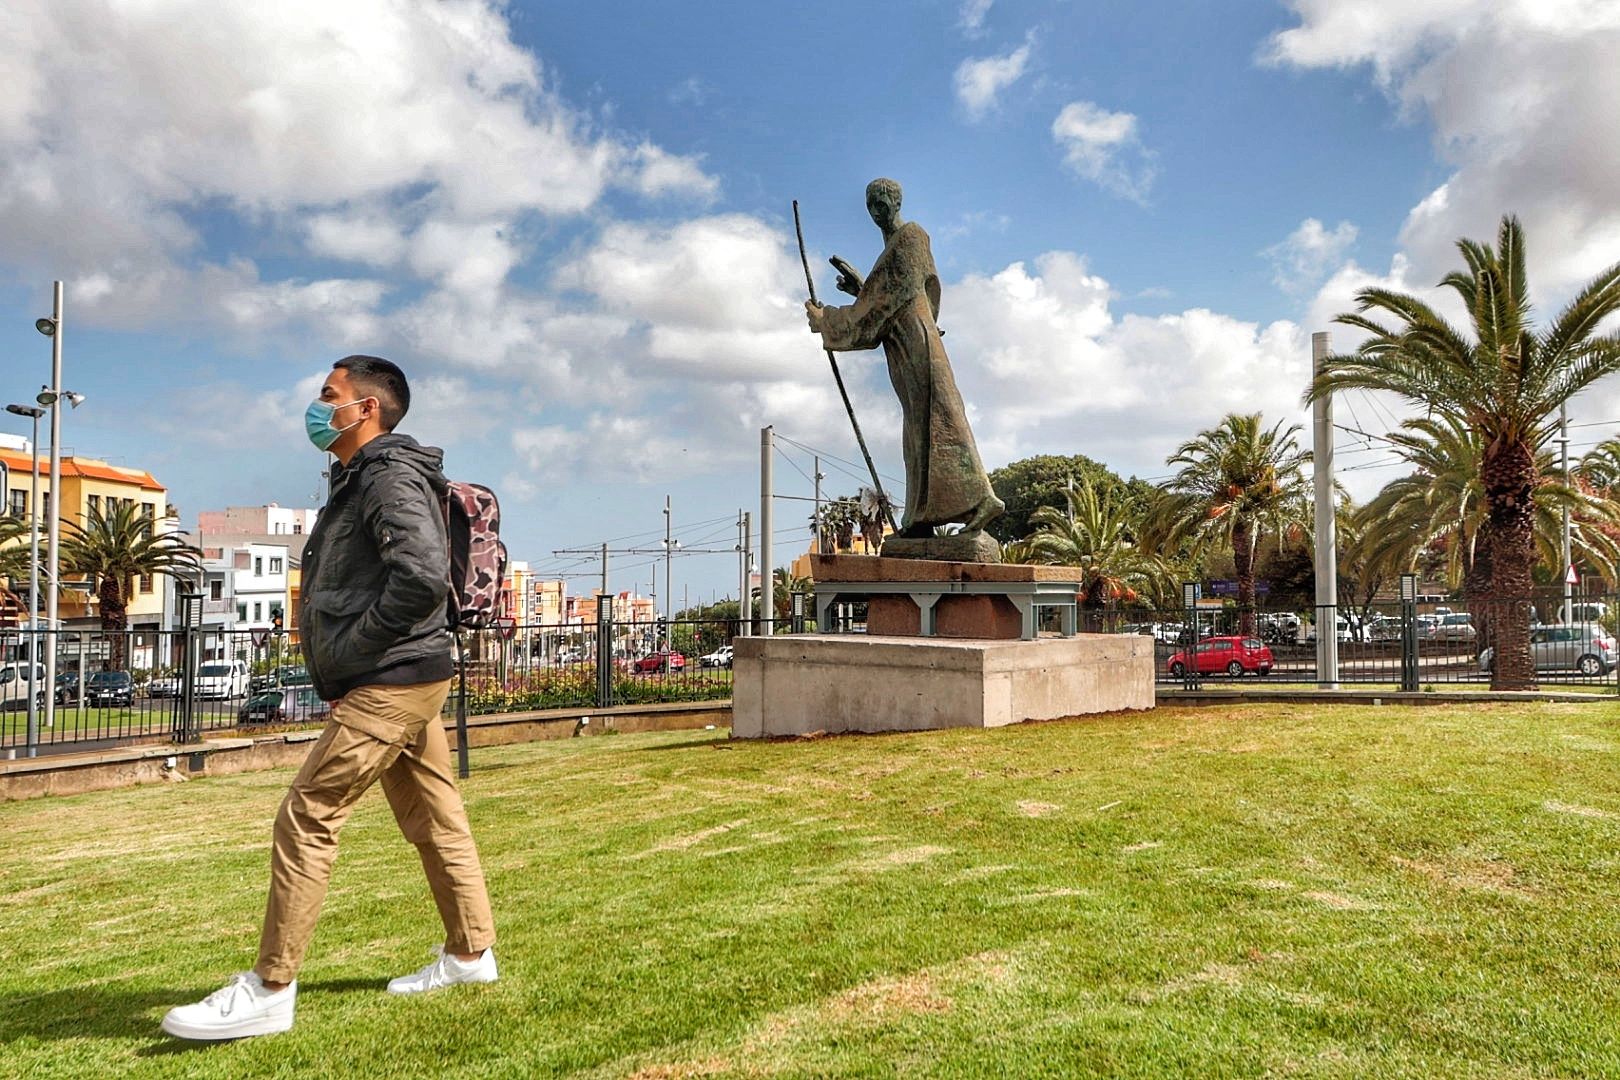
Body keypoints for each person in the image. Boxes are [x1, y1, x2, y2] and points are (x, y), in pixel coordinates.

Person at [162, 356, 497, 1041]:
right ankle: (469, 954)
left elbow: (423, 576)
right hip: (412, 672)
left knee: (308, 813)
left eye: (328, 395)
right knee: (436, 817)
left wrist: (358, 655)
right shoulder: (361, 479)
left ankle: (269, 988)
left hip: (392, 677)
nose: (317, 408)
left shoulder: (388, 475)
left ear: (365, 408)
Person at [804, 177, 1003, 538]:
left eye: (882, 203)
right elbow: (889, 298)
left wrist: (826, 320)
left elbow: (883, 307)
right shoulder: (894, 248)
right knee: (918, 429)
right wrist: (863, 289)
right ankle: (923, 518)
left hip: (917, 343)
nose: (876, 212)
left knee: (939, 418)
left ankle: (981, 498)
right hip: (903, 345)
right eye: (870, 206)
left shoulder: (911, 237)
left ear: (896, 203)